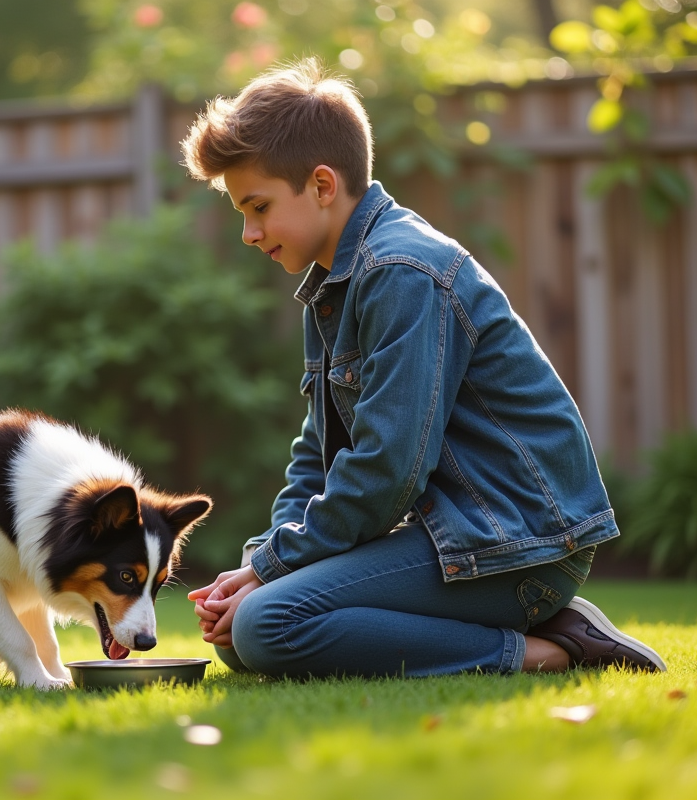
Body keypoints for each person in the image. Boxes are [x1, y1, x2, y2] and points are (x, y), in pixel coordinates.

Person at [181, 58, 666, 679]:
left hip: (518, 547)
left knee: (266, 624)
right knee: (239, 626)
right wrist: (266, 560)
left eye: (259, 207)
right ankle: (513, 629)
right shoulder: (335, 284)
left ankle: (547, 648)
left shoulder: (403, 274)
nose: (250, 233)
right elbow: (317, 452)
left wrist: (272, 569)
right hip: (452, 538)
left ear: (323, 186)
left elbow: (387, 470)